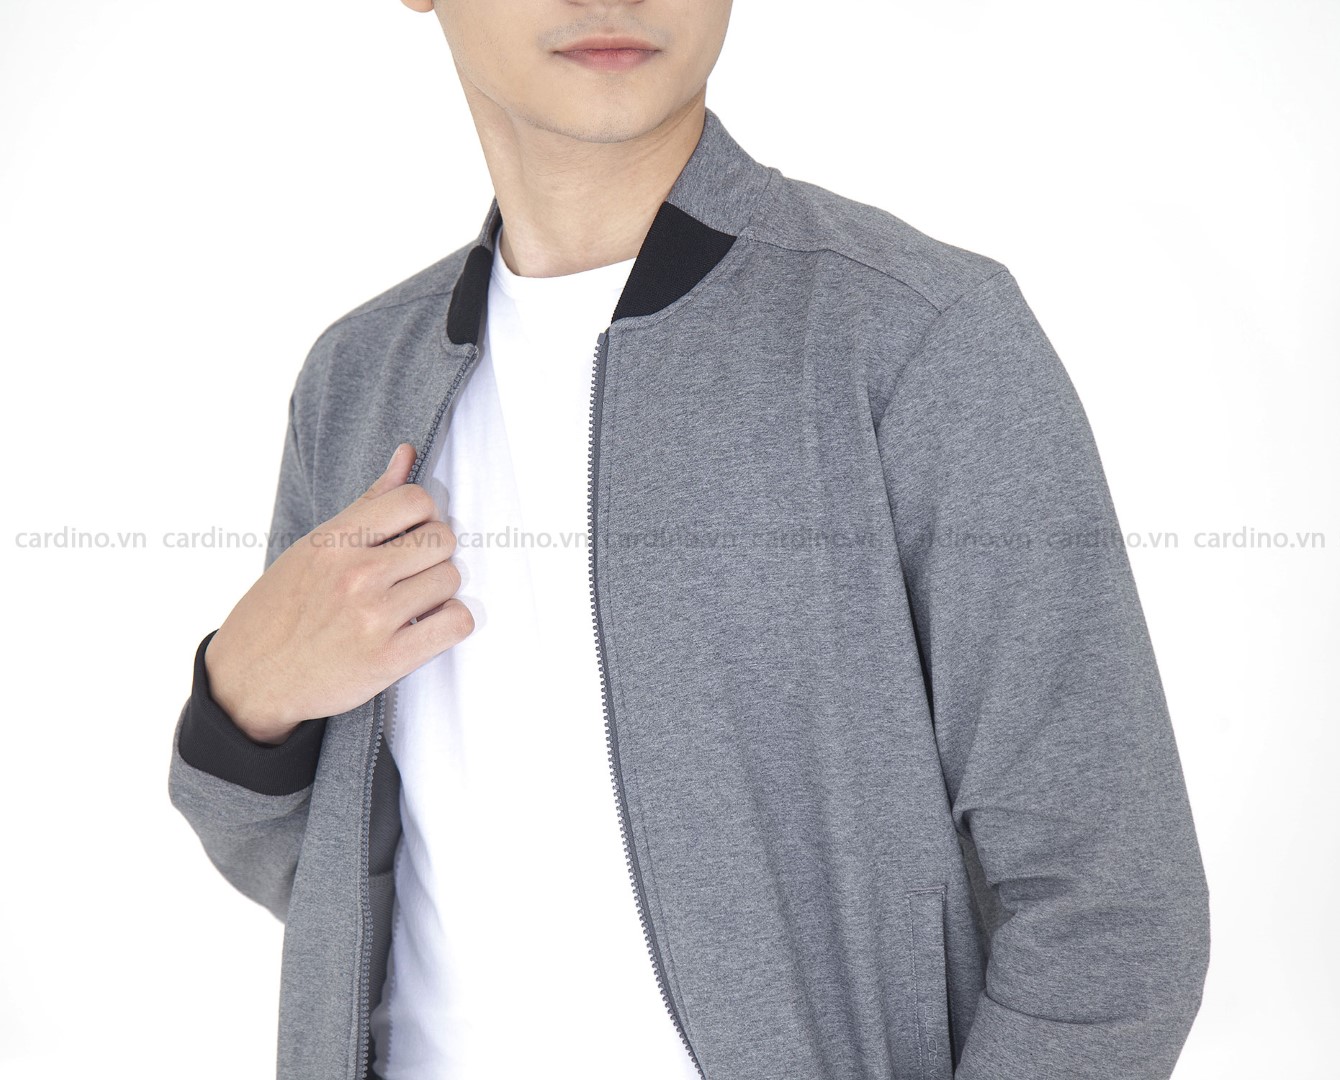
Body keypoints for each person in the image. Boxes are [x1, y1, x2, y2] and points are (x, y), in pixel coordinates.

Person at [168, 2, 1211, 1079]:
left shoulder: (914, 337)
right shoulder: (358, 378)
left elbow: (1111, 921)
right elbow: (333, 888)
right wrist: (244, 695)